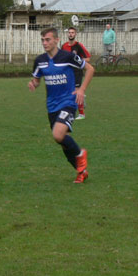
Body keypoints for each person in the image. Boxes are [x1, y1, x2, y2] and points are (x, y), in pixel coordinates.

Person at [28, 27, 95, 183]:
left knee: (58, 135)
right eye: (43, 40)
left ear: (56, 40)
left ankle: (80, 154)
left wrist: (81, 89)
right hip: (52, 106)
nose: (45, 43)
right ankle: (81, 172)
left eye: (48, 40)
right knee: (62, 141)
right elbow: (37, 80)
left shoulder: (68, 57)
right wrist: (33, 84)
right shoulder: (40, 61)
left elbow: (90, 69)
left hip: (68, 102)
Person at [61, 26, 91, 119]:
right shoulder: (64, 46)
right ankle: (70, 109)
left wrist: (78, 61)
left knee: (76, 92)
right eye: (69, 32)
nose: (71, 34)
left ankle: (81, 114)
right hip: (67, 73)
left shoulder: (79, 46)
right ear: (67, 34)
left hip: (77, 72)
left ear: (75, 34)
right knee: (68, 92)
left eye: (72, 33)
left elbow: (88, 58)